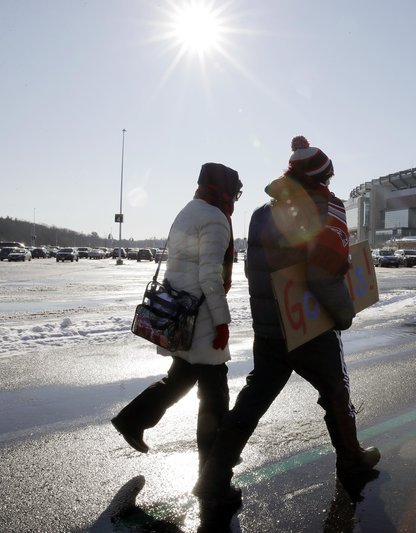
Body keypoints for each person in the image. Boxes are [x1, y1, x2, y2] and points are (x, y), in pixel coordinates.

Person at [192, 136, 380, 509]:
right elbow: (324, 271)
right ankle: (351, 461)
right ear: (322, 176)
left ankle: (213, 475)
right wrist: (343, 314)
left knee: (254, 399)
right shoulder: (325, 207)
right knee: (336, 394)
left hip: (270, 328)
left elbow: (253, 268)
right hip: (310, 326)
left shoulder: (263, 211)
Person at [111, 162, 243, 470]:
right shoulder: (215, 220)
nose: (236, 199)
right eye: (235, 192)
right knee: (214, 393)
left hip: (180, 314)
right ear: (224, 191)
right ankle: (212, 465)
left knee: (181, 377)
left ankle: (132, 419)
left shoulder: (188, 211)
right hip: (201, 316)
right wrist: (221, 322)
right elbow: (211, 275)